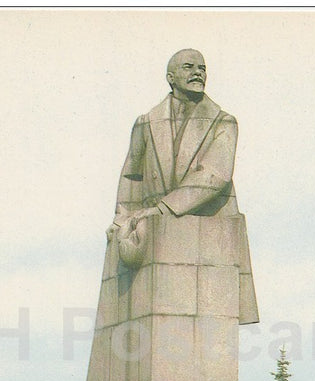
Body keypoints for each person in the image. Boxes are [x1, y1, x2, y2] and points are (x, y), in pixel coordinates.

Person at [109, 48, 258, 325]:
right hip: (150, 227)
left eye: (202, 68)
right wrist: (122, 218)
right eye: (189, 67)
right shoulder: (146, 122)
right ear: (171, 77)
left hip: (206, 226)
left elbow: (215, 175)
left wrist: (162, 209)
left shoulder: (223, 121)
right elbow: (131, 175)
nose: (198, 73)